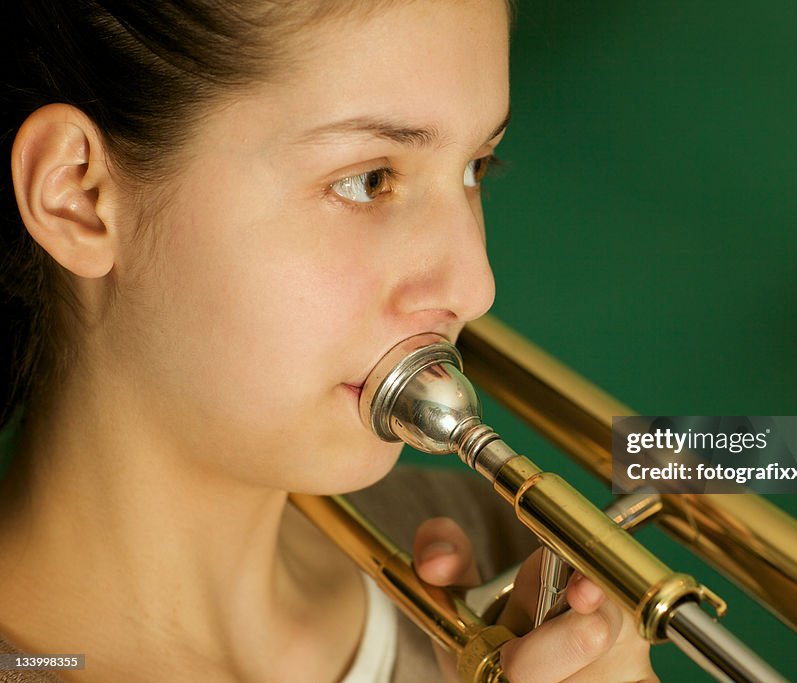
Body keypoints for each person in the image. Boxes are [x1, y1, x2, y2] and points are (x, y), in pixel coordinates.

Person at [0, 1, 658, 681]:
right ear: (77, 195)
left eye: (475, 169)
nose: (475, 287)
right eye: (368, 180)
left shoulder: (507, 569)